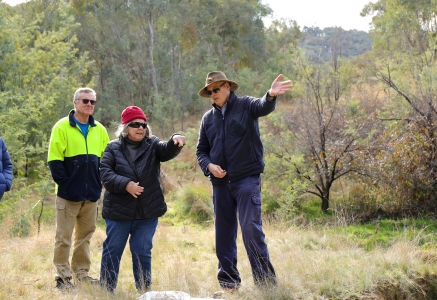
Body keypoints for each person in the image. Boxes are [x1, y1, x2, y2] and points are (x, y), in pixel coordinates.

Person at [196, 71, 293, 297]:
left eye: (216, 89)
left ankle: (266, 285)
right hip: (220, 185)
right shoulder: (207, 119)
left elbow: (263, 107)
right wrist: (209, 166)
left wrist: (270, 95)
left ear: (228, 86)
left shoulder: (246, 105)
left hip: (247, 179)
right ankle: (229, 284)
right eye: (209, 92)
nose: (213, 95)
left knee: (250, 229)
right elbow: (201, 151)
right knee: (224, 234)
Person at [99, 106, 186, 292]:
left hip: (147, 211)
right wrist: (126, 184)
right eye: (135, 124)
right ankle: (106, 290)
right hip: (119, 211)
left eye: (143, 124)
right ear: (125, 127)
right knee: (112, 250)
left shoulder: (153, 144)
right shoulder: (112, 147)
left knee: (142, 251)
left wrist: (175, 139)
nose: (140, 128)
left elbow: (166, 150)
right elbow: (105, 174)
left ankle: (144, 291)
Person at [47, 87, 110, 289]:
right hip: (67, 196)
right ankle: (63, 278)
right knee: (63, 238)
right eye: (85, 101)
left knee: (85, 238)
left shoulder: (99, 129)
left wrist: (98, 184)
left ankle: (81, 274)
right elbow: (54, 162)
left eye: (92, 102)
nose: (89, 105)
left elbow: (107, 161)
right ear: (75, 103)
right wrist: (68, 186)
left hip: (91, 196)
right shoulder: (62, 127)